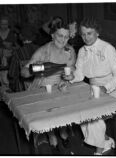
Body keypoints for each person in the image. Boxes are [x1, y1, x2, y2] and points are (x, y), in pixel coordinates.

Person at [63, 17, 116, 155]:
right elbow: (80, 73)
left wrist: (106, 88)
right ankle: (105, 140)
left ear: (97, 33)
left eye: (90, 33)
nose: (86, 37)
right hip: (94, 90)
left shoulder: (108, 48)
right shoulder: (82, 51)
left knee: (94, 114)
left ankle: (99, 150)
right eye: (83, 34)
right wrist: (72, 77)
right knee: (82, 111)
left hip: (115, 89)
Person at [21, 19, 76, 153]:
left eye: (66, 36)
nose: (63, 40)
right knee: (49, 111)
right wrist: (37, 69)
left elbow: (72, 68)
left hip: (61, 86)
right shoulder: (43, 51)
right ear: (52, 35)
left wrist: (70, 76)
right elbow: (23, 72)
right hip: (43, 86)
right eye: (59, 36)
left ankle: (62, 132)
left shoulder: (70, 50)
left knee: (68, 105)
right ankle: (52, 136)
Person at [0, 15, 17, 95]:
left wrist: (9, 47)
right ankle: (3, 93)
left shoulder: (12, 33)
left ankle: (10, 91)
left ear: (8, 24)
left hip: (10, 60)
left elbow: (16, 48)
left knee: (8, 78)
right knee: (1, 78)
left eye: (6, 24)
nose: (4, 26)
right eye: (2, 24)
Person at [8, 26, 39, 92]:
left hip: (23, 89)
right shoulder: (41, 50)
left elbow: (11, 73)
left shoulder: (18, 53)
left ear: (21, 37)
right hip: (40, 86)